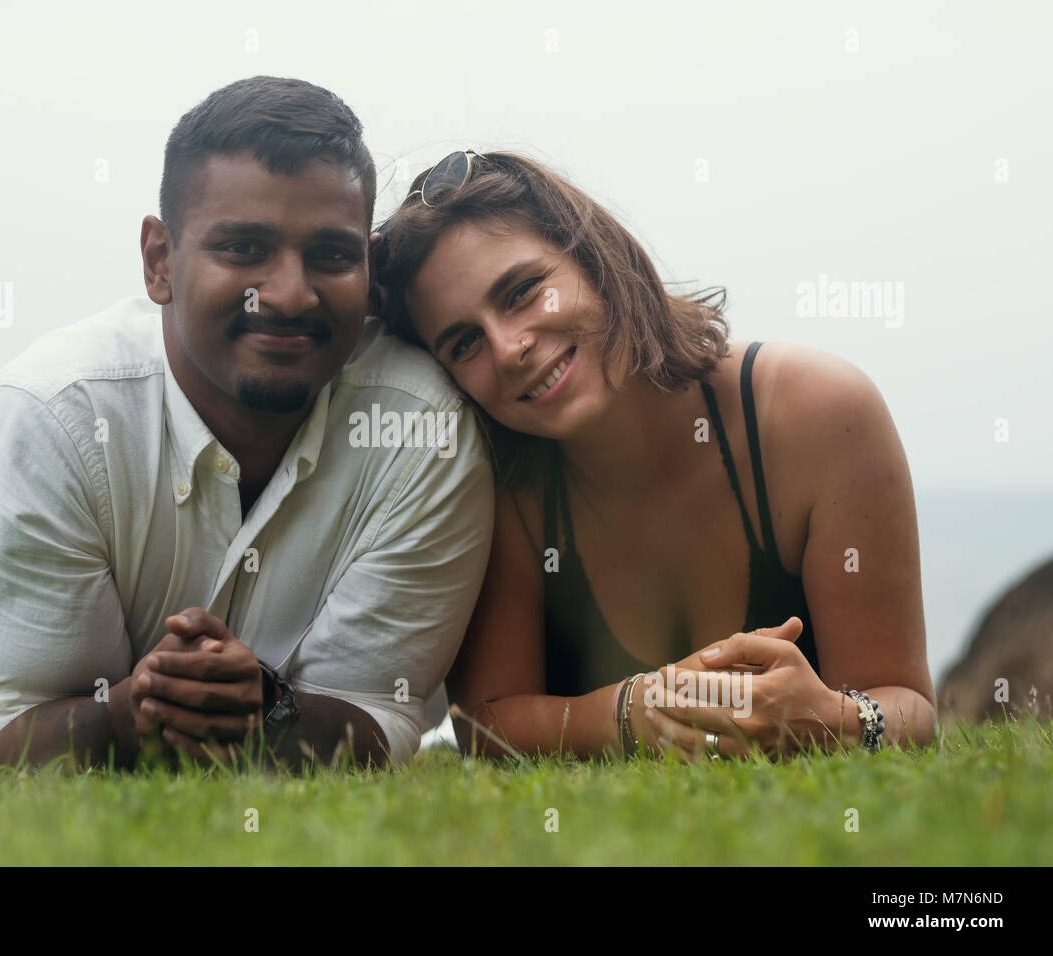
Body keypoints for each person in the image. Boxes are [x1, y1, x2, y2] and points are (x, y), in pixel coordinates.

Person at [0, 78, 494, 771]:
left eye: (331, 255)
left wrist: (268, 707)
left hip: (271, 692)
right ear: (160, 262)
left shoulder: (424, 429)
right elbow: (14, 740)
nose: (289, 293)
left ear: (370, 265)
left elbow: (377, 719)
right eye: (243, 249)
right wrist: (126, 710)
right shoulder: (39, 419)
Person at [373, 150, 937, 761]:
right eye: (464, 343)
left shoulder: (818, 412)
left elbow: (906, 702)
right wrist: (635, 713)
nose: (509, 349)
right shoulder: (501, 478)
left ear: (593, 256)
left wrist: (836, 721)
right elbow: (485, 726)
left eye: (523, 291)